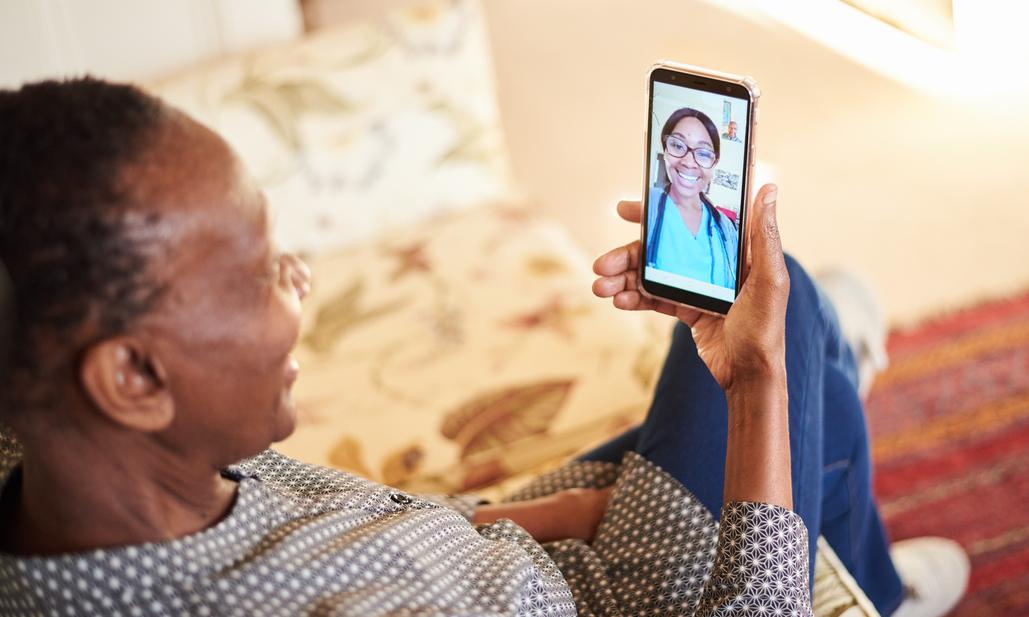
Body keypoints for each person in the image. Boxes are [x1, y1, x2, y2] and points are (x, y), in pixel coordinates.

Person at [0, 78, 967, 617]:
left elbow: (374, 530)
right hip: (646, 602)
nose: (300, 282)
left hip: (535, 550)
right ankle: (866, 587)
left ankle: (863, 566)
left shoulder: (81, 468)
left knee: (794, 314)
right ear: (130, 375)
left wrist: (548, 511)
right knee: (795, 330)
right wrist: (751, 383)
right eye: (257, 274)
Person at [647, 108, 738, 290]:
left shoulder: (727, 231)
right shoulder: (649, 206)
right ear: (665, 150)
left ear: (714, 163)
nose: (688, 162)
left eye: (703, 154)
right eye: (678, 145)